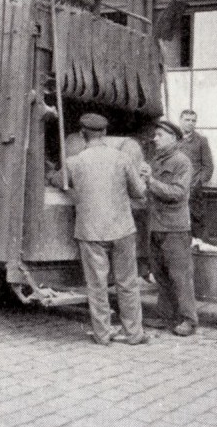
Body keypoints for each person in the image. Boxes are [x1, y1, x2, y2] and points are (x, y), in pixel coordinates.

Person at [50, 113, 149, 346]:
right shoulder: (122, 158)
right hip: (123, 229)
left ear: (82, 134)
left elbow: (57, 181)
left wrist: (52, 172)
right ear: (105, 133)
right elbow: (139, 192)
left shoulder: (75, 162)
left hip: (91, 232)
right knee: (127, 284)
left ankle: (103, 335)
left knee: (97, 286)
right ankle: (134, 334)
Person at [140, 119, 198, 336]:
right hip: (156, 225)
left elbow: (177, 193)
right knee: (161, 274)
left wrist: (150, 181)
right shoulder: (157, 160)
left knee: (180, 276)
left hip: (175, 227)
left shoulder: (182, 162)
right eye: (155, 135)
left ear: (173, 138)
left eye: (160, 136)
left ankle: (189, 320)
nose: (155, 139)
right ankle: (166, 316)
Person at [176, 109, 214, 241]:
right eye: (187, 120)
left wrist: (198, 183)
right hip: (174, 189)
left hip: (193, 191)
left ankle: (202, 253)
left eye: (193, 121)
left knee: (197, 222)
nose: (191, 123)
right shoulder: (173, 139)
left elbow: (208, 167)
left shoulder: (201, 141)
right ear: (180, 120)